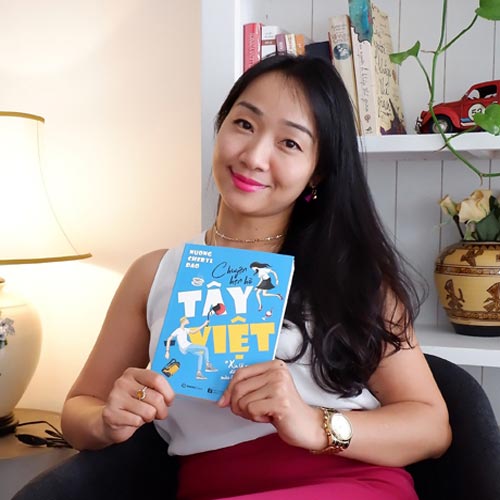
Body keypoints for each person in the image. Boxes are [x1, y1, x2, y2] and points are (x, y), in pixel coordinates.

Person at [13, 54, 451, 500]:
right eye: (244, 124)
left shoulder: (352, 277)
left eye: (290, 143)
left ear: (317, 171)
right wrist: (107, 419)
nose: (254, 157)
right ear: (221, 126)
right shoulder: (155, 273)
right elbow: (78, 410)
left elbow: (432, 426)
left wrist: (314, 424)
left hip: (349, 485)